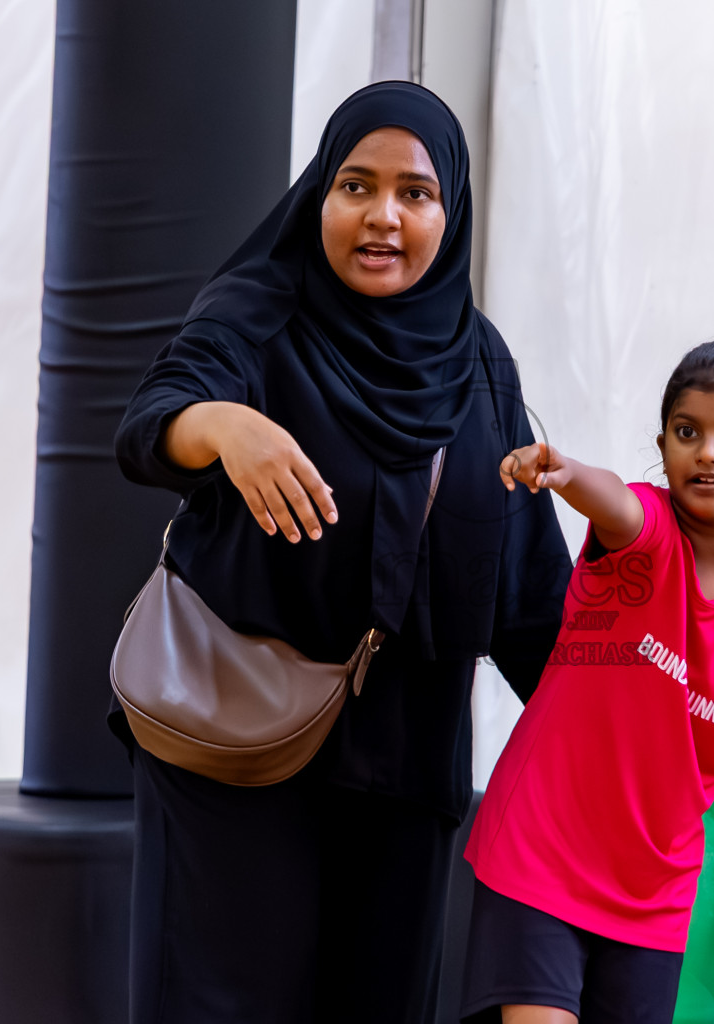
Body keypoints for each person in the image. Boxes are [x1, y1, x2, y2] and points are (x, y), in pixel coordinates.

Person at [112, 82, 571, 1024]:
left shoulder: (481, 365)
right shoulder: (259, 312)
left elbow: (532, 595)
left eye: (416, 192)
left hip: (406, 767)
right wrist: (225, 425)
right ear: (319, 193)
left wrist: (628, 727)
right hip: (235, 750)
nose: (383, 217)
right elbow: (149, 424)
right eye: (355, 185)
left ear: (453, 210)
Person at [460, 340, 714, 1023]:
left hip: (653, 895)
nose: (707, 452)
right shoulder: (645, 532)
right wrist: (563, 470)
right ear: (662, 445)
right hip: (542, 855)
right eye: (687, 433)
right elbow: (614, 502)